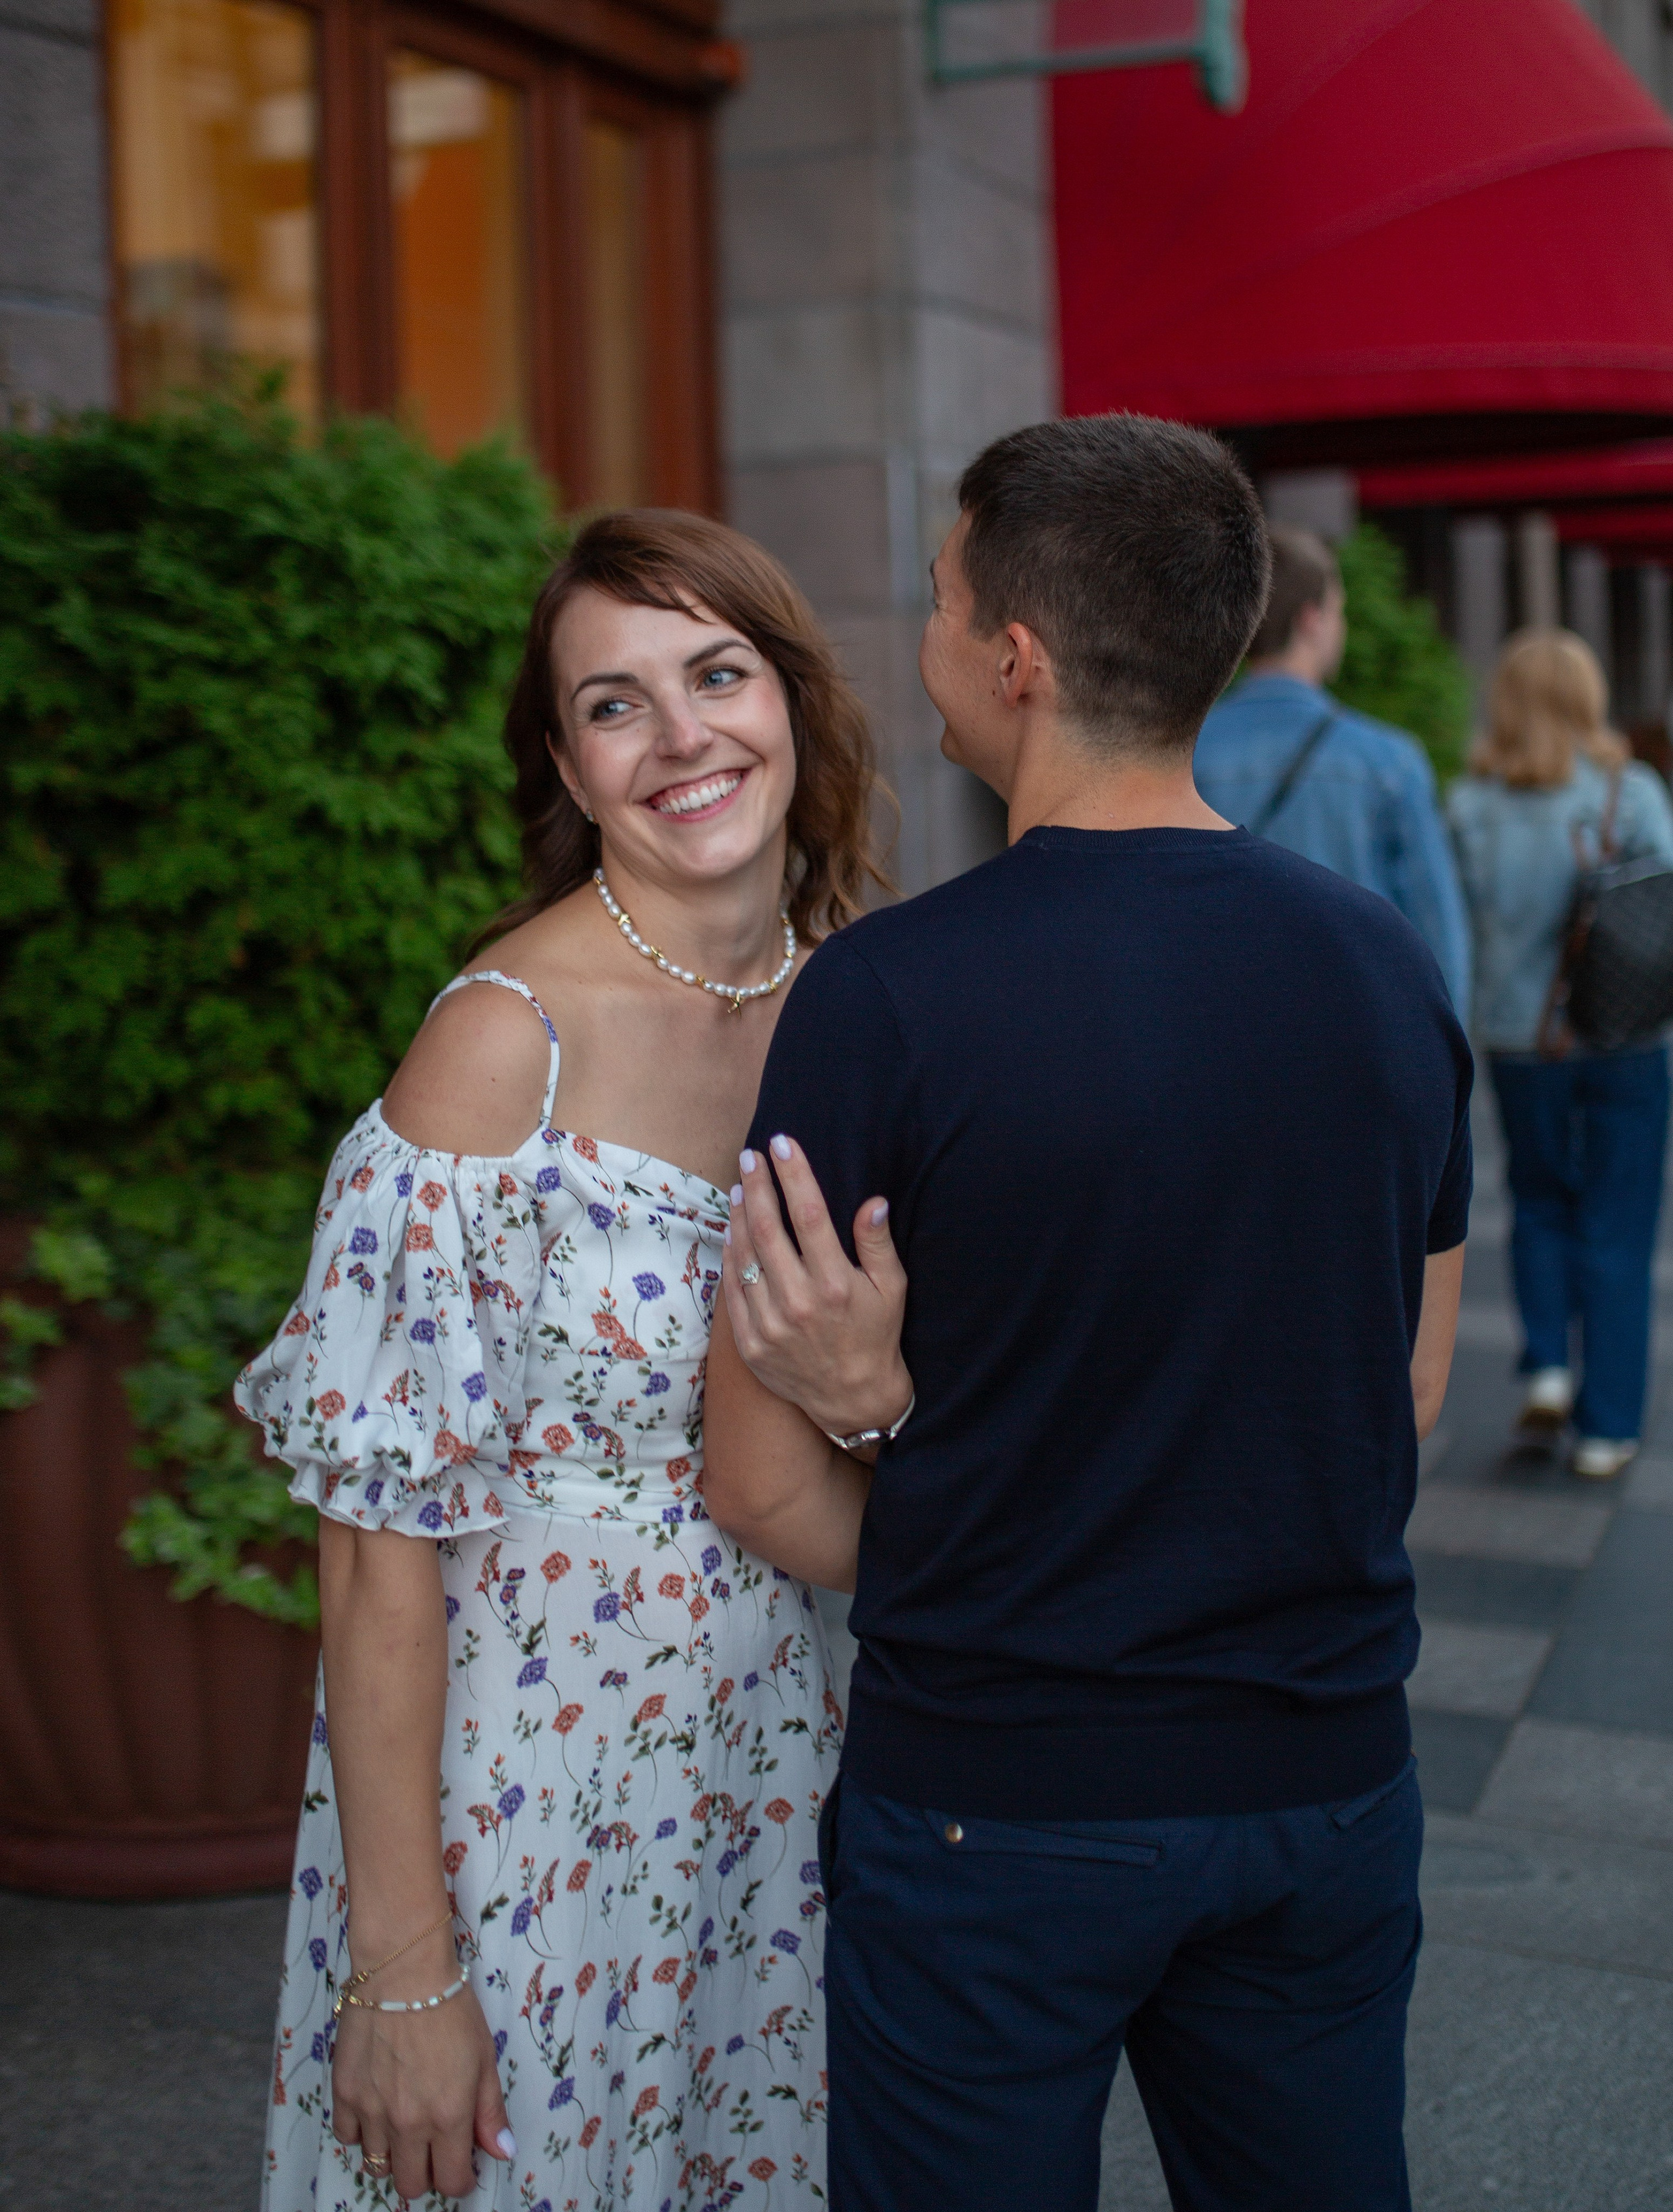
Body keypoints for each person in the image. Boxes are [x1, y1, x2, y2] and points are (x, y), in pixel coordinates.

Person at [701, 414, 1471, 2212]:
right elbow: (1408, 1393)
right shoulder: (1384, 967)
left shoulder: (883, 998)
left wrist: (922, 1451)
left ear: (1017, 659)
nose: (925, 636)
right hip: (1325, 1780)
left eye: (941, 598)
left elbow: (755, 1480)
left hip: (996, 1798)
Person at [236, 510, 888, 2212]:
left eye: (716, 675)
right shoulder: (493, 1052)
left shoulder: (857, 1006)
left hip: (772, 1774)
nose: (679, 736)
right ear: (567, 767)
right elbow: (373, 1553)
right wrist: (405, 1968)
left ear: (790, 699)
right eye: (615, 704)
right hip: (521, 1798)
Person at [1448, 628, 1673, 1479]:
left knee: (1538, 1201)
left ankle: (1546, 1365)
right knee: (1619, 1223)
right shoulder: (1632, 790)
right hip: (1626, 1037)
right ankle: (1606, 1429)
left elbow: (1455, 928)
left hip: (1520, 1038)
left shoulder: (1471, 803)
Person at [1194, 523, 1473, 1013]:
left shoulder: (1188, 748)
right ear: (1311, 619)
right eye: (1338, 612)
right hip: (1358, 1023)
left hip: (1222, 1017)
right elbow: (1437, 931)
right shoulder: (1389, 761)